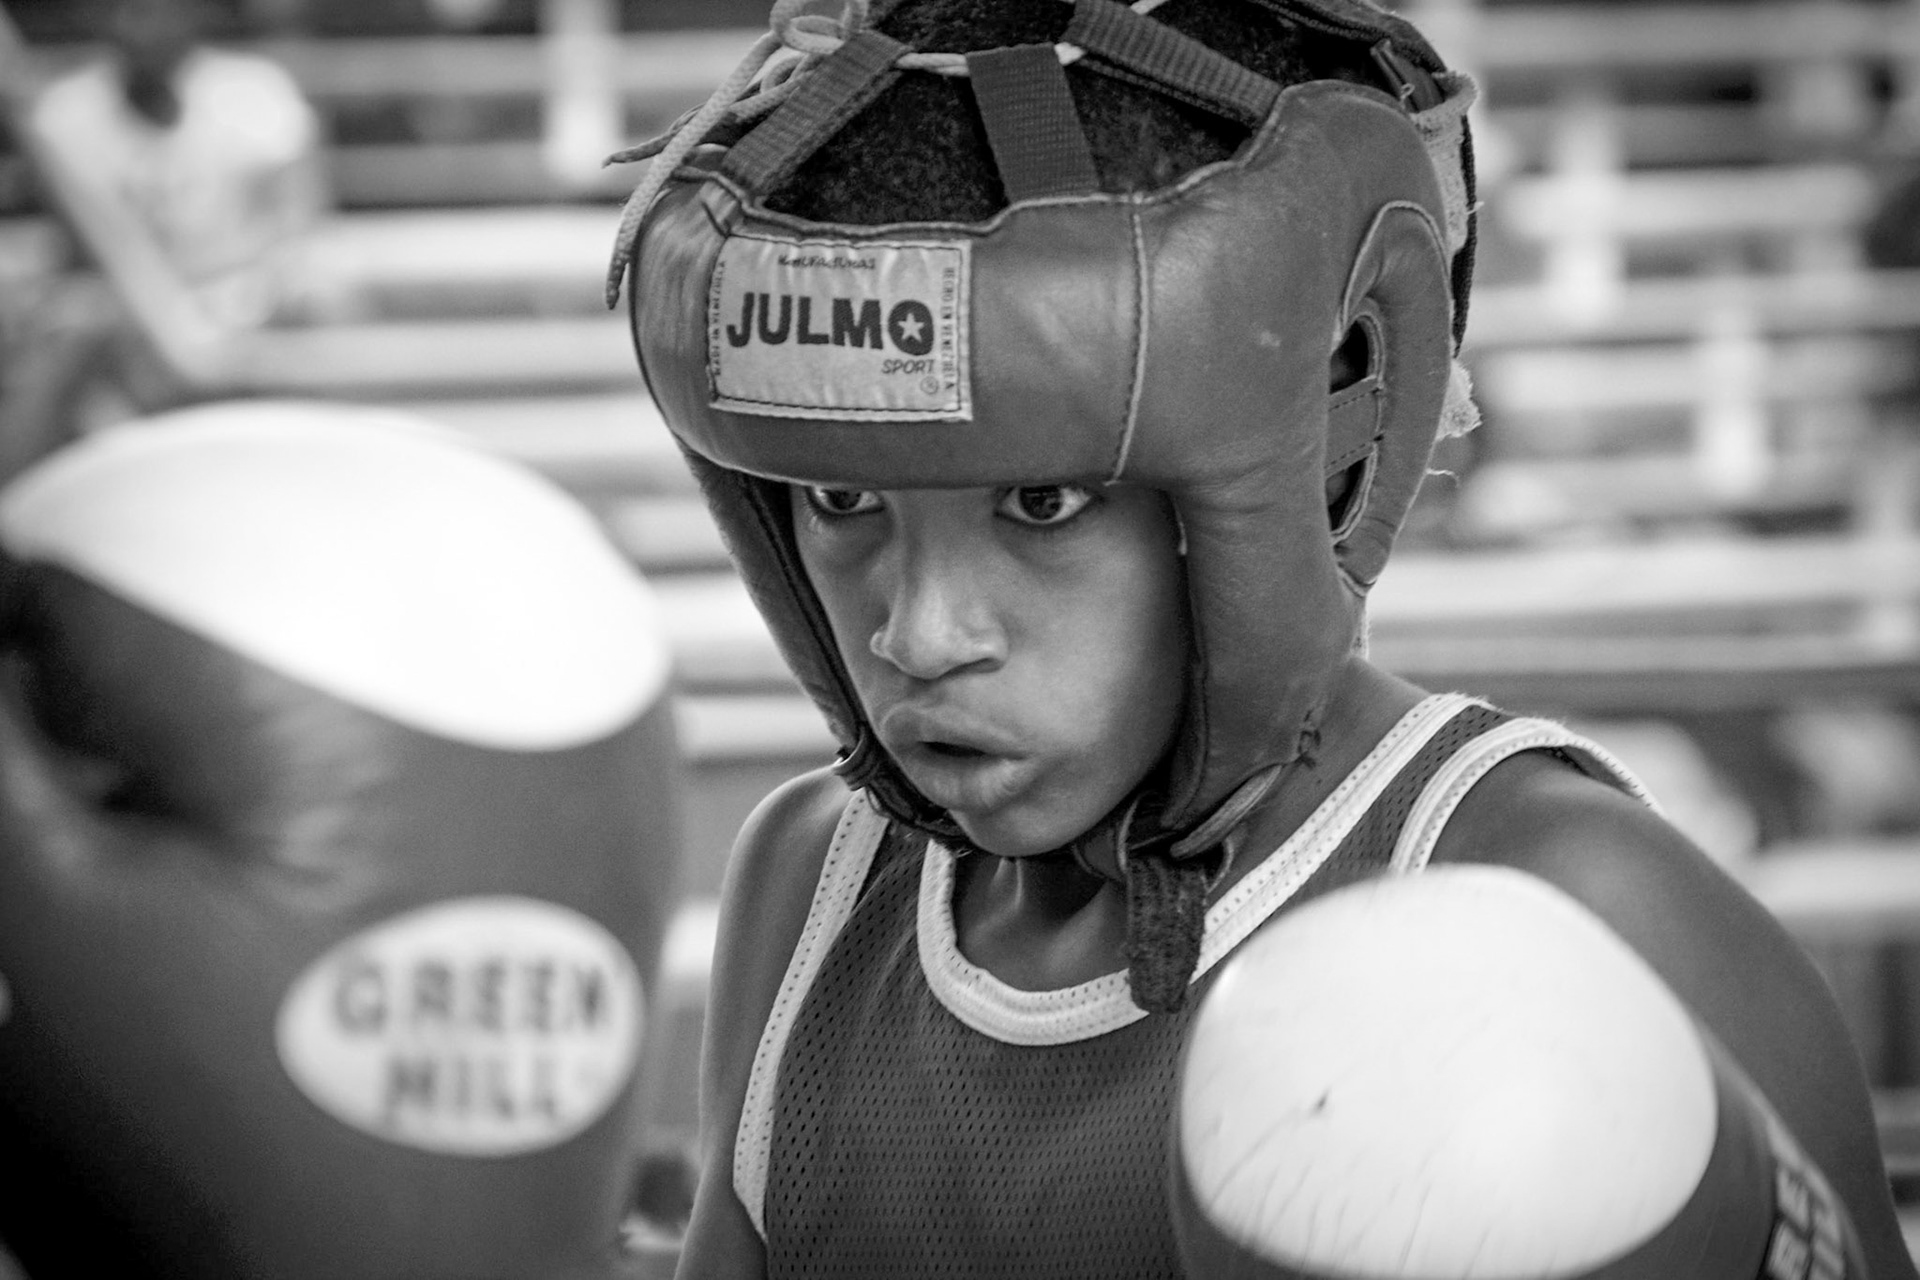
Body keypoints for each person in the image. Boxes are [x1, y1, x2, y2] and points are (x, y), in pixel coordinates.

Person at [608, 0, 1919, 1275]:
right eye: (842, 501)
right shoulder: (811, 887)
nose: (920, 631)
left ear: (1292, 477)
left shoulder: (1570, 903)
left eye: (1045, 502)